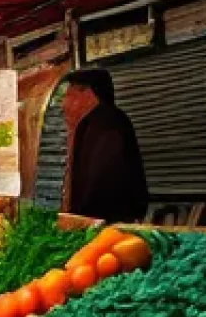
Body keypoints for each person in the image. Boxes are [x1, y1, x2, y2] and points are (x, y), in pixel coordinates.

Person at [62, 68, 148, 223]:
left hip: (106, 222)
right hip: (101, 220)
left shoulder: (105, 123)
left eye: (70, 95)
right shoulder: (94, 122)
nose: (64, 104)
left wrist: (81, 218)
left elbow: (100, 178)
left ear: (88, 94)